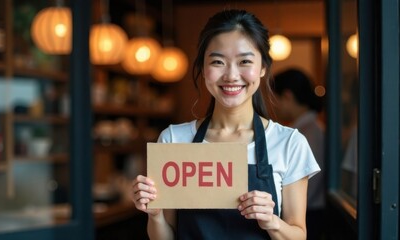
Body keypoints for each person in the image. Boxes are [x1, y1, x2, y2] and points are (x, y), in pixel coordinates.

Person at [131, 9, 320, 240]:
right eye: (218, 61)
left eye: (245, 61)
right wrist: (155, 215)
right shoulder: (174, 139)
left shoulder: (290, 143)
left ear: (262, 68)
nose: (231, 75)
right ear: (202, 67)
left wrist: (271, 222)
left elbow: (299, 234)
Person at [272, 69, 326, 240]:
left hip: (307, 215)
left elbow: (309, 186)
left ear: (287, 96)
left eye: (276, 99)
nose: (274, 106)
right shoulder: (306, 128)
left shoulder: (307, 133)